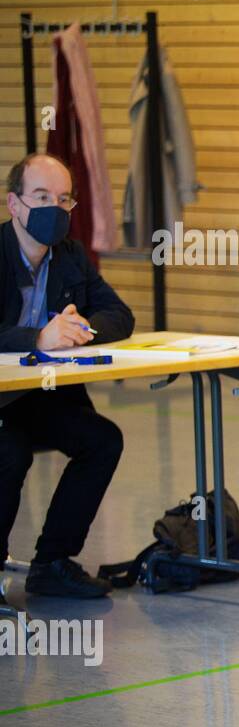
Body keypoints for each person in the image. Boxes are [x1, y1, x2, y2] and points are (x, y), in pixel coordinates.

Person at [0, 153, 135, 598]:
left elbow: (119, 314)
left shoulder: (70, 255)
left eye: (63, 199)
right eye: (41, 197)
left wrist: (79, 331)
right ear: (14, 204)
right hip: (3, 400)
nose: (54, 209)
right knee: (10, 454)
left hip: (43, 396)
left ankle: (52, 563)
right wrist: (38, 337)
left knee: (102, 440)